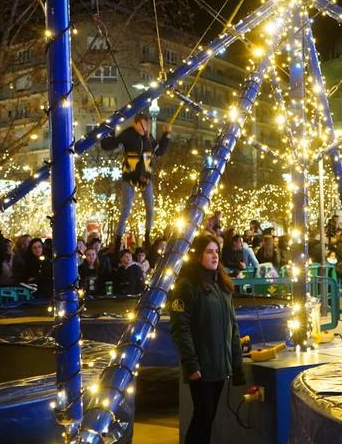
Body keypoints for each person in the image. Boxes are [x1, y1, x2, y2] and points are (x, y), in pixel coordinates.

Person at [169, 233, 245, 444]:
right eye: (209, 251)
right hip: (202, 368)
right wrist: (191, 364)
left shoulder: (223, 287)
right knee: (202, 417)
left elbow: (233, 328)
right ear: (198, 255)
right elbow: (180, 328)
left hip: (220, 367)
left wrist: (236, 365)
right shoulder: (187, 286)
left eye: (217, 252)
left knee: (208, 418)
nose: (215, 256)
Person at [100, 111, 170, 248]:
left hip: (146, 177)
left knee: (150, 208)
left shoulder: (149, 138)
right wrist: (106, 129)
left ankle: (147, 237)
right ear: (135, 123)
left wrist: (166, 135)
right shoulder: (127, 134)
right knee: (126, 209)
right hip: (130, 176)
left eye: (146, 126)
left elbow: (159, 151)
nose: (144, 129)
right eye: (142, 126)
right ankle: (118, 239)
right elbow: (109, 145)